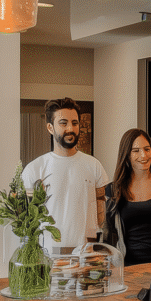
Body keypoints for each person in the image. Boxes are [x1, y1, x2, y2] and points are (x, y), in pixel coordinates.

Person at [22, 98, 109, 252]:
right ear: (50, 127)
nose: (70, 128)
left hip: (85, 256)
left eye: (75, 123)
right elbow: (28, 221)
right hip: (47, 257)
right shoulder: (35, 169)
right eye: (63, 123)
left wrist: (94, 247)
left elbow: (100, 217)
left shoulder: (94, 166)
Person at [102, 128, 151, 265]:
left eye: (147, 149)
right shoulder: (112, 190)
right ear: (126, 155)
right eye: (136, 151)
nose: (143, 155)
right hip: (126, 267)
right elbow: (107, 232)